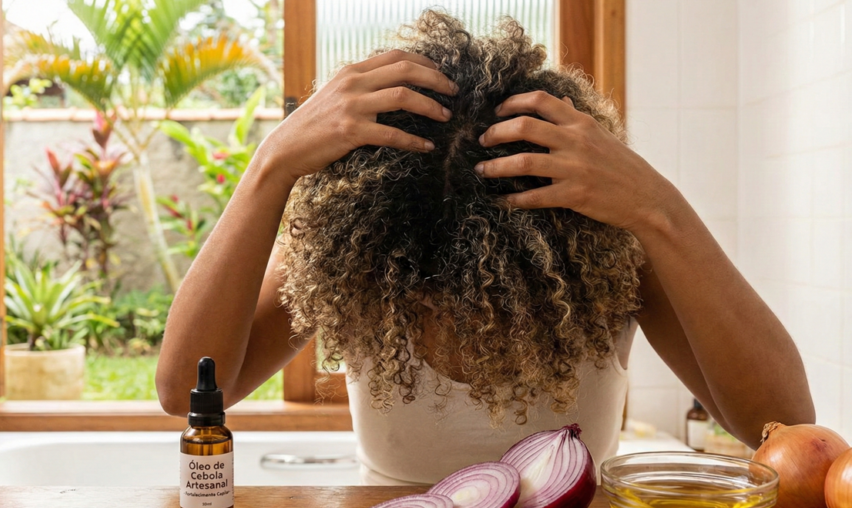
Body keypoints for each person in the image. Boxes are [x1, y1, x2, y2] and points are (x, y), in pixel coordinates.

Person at [156, 11, 814, 484]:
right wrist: (271, 164)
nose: (469, 307)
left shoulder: (611, 254)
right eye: (431, 280)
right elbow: (184, 388)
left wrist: (658, 206)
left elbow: (786, 424)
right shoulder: (356, 262)